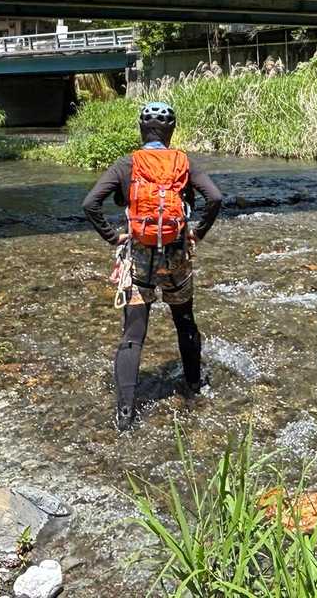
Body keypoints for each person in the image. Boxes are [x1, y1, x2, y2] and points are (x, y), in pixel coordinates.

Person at [82, 101, 223, 432]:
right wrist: (198, 233)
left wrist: (113, 237)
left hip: (139, 257)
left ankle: (125, 414)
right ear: (171, 131)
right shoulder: (184, 162)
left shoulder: (126, 164)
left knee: (133, 335)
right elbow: (215, 198)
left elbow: (90, 204)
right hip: (177, 256)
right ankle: (193, 388)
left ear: (142, 129)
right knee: (185, 323)